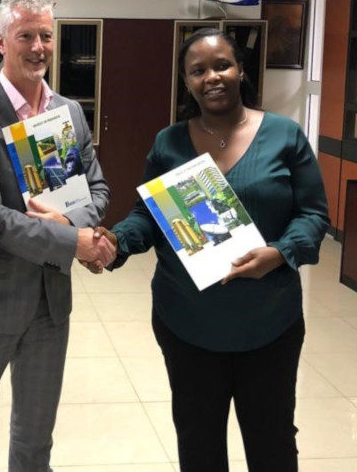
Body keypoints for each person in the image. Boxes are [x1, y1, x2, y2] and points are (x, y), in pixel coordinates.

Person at [95, 27, 328, 472]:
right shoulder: (169, 143)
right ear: (186, 82)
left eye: (221, 65)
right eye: (197, 70)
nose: (211, 77)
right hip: (187, 323)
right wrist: (117, 241)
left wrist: (279, 253)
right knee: (198, 443)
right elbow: (147, 215)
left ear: (240, 69)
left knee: (273, 440)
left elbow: (313, 215)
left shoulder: (285, 136)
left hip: (269, 323)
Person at [0, 0, 114, 472]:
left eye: (47, 36)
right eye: (26, 35)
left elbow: (97, 188)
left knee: (35, 442)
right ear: (1, 40)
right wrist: (72, 241)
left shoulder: (69, 112)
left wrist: (70, 222)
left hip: (50, 307)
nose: (38, 47)